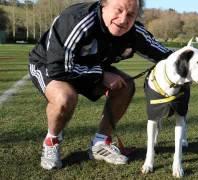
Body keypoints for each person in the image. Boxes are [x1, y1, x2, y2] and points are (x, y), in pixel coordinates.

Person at [28, 0, 172, 170]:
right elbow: (58, 68)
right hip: (50, 65)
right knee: (64, 98)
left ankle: (100, 143)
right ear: (103, 5)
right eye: (118, 10)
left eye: (131, 14)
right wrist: (101, 75)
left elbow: (167, 56)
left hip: (90, 67)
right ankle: (52, 141)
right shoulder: (76, 19)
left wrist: (194, 65)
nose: (123, 19)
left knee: (124, 86)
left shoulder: (134, 32)